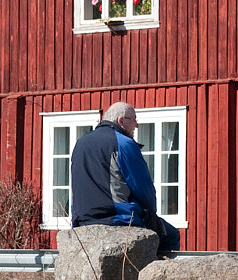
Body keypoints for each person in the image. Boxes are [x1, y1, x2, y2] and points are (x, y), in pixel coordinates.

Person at [69, 102, 180, 251]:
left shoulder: (80, 143)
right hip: (116, 218)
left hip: (82, 220)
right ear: (121, 121)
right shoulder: (124, 143)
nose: (137, 125)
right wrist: (151, 215)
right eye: (134, 119)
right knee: (171, 235)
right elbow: (144, 190)